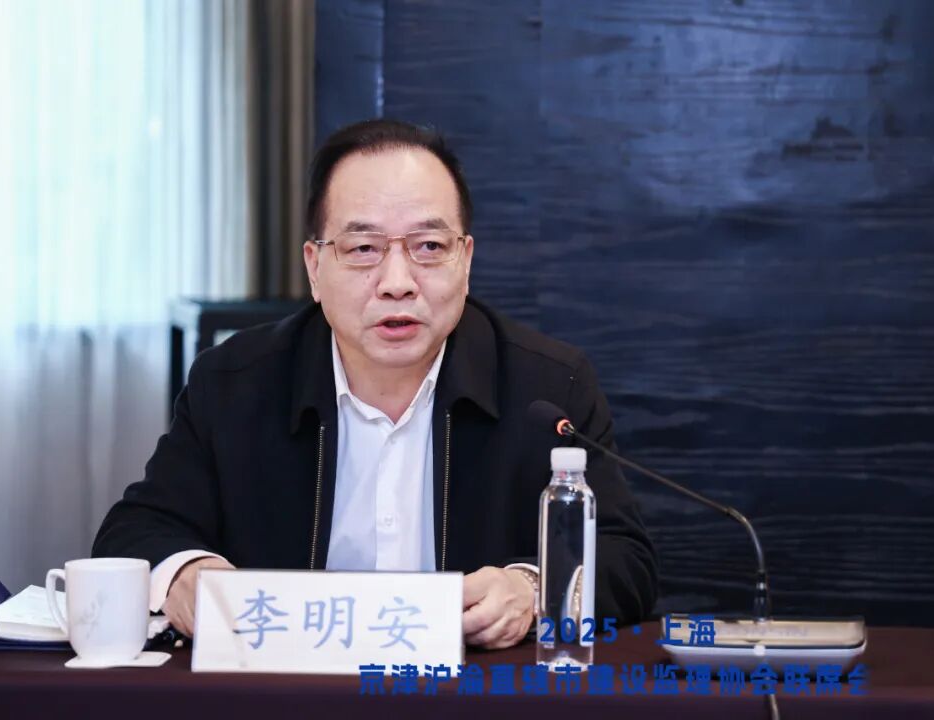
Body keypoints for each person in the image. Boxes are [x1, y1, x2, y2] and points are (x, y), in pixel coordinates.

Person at [93, 119, 658, 649]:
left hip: (467, 696)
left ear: (465, 261)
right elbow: (138, 530)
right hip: (290, 695)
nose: (397, 282)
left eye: (429, 247)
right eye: (363, 249)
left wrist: (531, 589)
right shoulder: (235, 383)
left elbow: (625, 561)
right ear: (315, 268)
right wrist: (186, 574)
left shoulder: (548, 387)